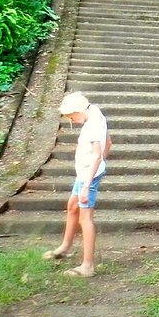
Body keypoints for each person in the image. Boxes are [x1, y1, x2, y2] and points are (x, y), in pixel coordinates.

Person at [44, 92, 110, 277]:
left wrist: (87, 185)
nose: (70, 119)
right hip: (85, 174)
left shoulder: (92, 126)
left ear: (79, 111)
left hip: (88, 177)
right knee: (72, 206)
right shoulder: (95, 112)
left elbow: (97, 155)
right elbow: (109, 142)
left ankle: (87, 266)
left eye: (71, 116)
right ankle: (65, 247)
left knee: (85, 218)